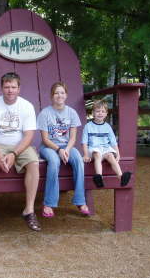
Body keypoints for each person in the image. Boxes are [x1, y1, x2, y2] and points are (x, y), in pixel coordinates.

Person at [0, 72, 41, 231]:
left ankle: (29, 210)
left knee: (33, 162)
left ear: (19, 88)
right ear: (1, 88)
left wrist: (14, 154)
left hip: (19, 146)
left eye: (13, 87)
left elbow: (29, 135)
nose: (10, 90)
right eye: (7, 87)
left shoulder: (26, 106)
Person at [37, 82, 90, 218]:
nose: (59, 95)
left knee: (78, 159)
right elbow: (45, 139)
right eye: (56, 93)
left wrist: (66, 149)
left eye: (62, 93)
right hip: (49, 147)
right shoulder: (45, 113)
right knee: (54, 161)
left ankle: (80, 200)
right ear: (51, 96)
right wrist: (59, 150)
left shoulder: (71, 113)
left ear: (66, 95)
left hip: (67, 146)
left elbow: (73, 138)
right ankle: (49, 203)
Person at [81, 100, 132, 188]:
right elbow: (84, 142)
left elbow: (113, 142)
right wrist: (86, 155)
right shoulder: (88, 126)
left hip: (105, 149)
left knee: (111, 156)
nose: (100, 113)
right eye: (97, 111)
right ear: (93, 113)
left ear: (106, 114)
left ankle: (121, 177)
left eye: (103, 111)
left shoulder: (107, 127)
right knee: (97, 155)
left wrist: (118, 154)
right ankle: (99, 178)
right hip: (93, 149)